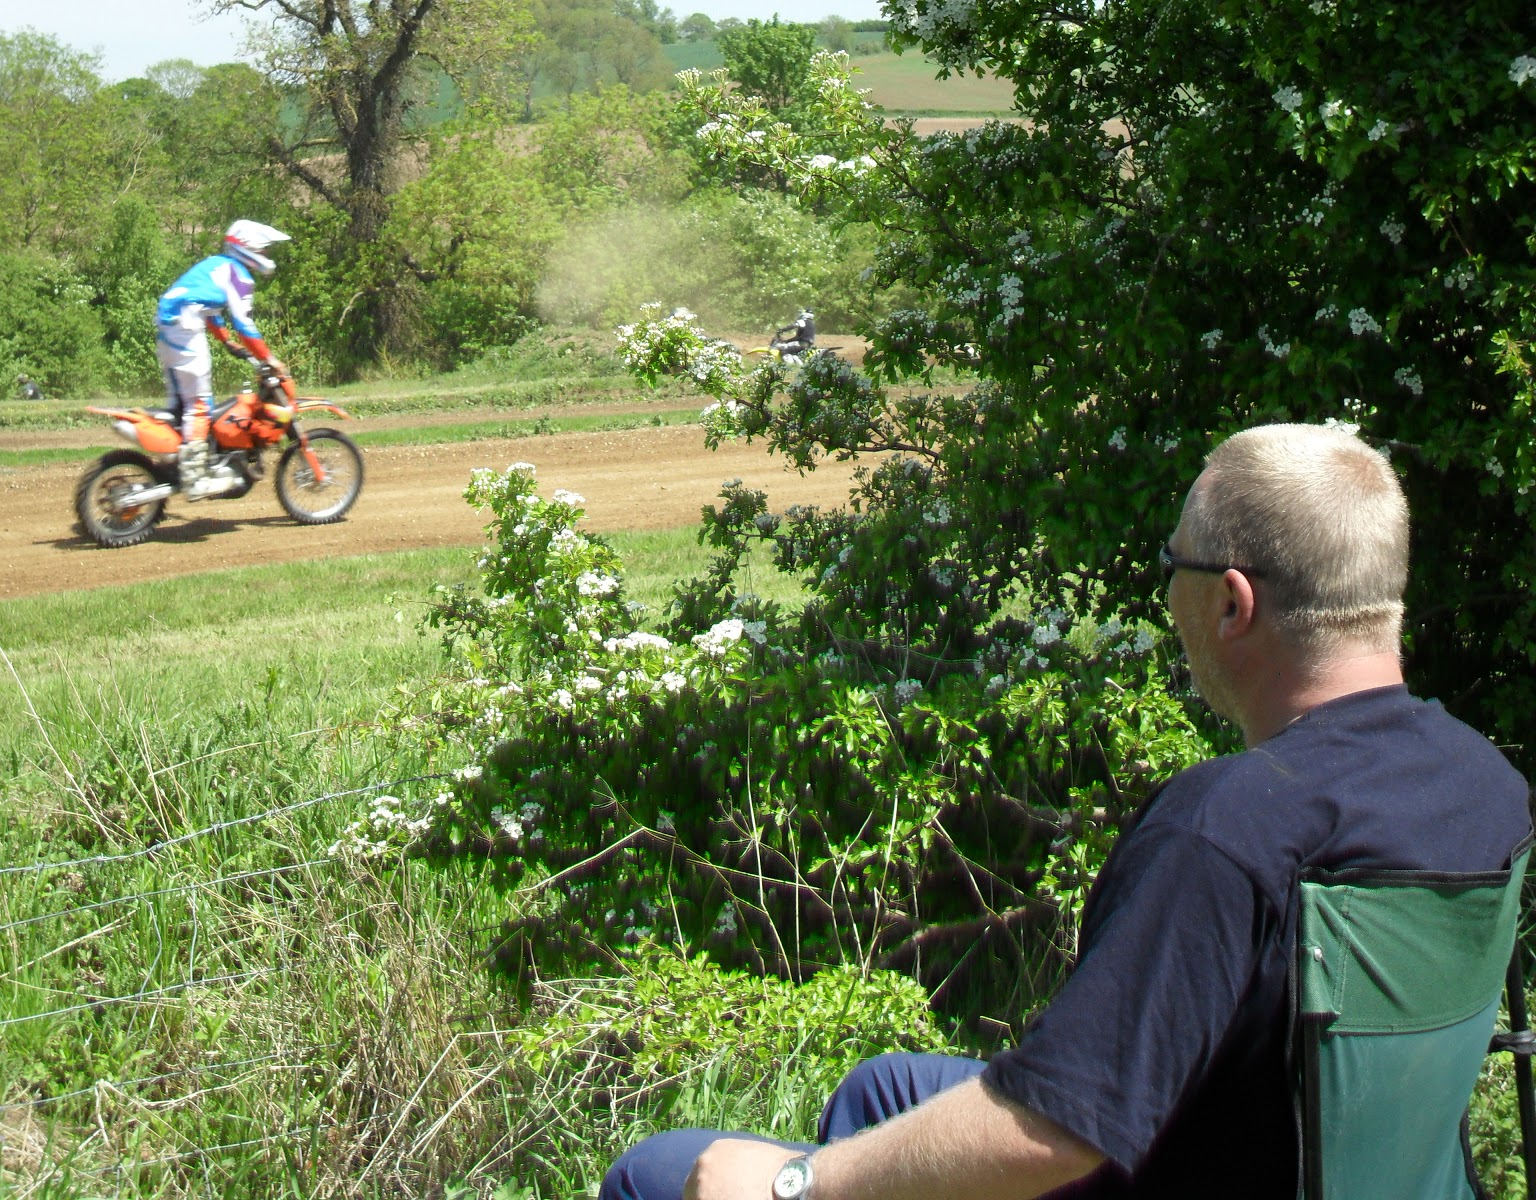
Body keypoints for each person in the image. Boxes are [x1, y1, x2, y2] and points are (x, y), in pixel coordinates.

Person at [601, 422, 1533, 1200]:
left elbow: (1054, 1133)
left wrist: (797, 1183)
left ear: (1232, 604)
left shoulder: (1230, 829)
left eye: (1177, 565)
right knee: (884, 1085)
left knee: (665, 1171)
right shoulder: (1486, 784)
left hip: (1185, 1170)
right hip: (1302, 1154)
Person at [154, 219, 290, 494]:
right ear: (249, 249)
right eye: (264, 250)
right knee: (200, 404)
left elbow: (210, 309)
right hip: (185, 327)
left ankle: (174, 463)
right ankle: (194, 476)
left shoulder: (217, 265)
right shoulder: (239, 275)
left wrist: (225, 340)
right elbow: (245, 325)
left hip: (169, 327)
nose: (266, 256)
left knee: (179, 405)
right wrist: (270, 359)